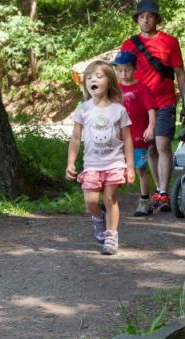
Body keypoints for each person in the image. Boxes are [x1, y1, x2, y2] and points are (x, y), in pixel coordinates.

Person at [120, 0, 185, 213]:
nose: (146, 19)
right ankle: (159, 190)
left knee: (162, 144)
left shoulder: (170, 42)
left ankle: (164, 192)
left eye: (150, 16)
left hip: (165, 100)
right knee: (149, 148)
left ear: (156, 19)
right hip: (138, 106)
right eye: (142, 16)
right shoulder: (129, 44)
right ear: (137, 19)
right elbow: (120, 75)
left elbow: (180, 73)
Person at [65, 61, 135, 255]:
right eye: (89, 77)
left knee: (111, 198)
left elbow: (127, 140)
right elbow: (76, 138)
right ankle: (98, 218)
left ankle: (111, 235)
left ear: (109, 82)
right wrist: (71, 162)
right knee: (90, 201)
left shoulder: (118, 110)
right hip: (92, 165)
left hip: (115, 162)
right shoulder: (83, 109)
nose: (92, 80)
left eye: (98, 76)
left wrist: (130, 167)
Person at [114, 51, 157, 216]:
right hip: (119, 140)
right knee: (116, 170)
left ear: (134, 69)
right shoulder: (115, 90)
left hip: (139, 138)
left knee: (140, 170)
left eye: (127, 70)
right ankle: (109, 201)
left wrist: (150, 127)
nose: (123, 74)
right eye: (119, 70)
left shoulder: (142, 88)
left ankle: (145, 201)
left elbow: (151, 110)